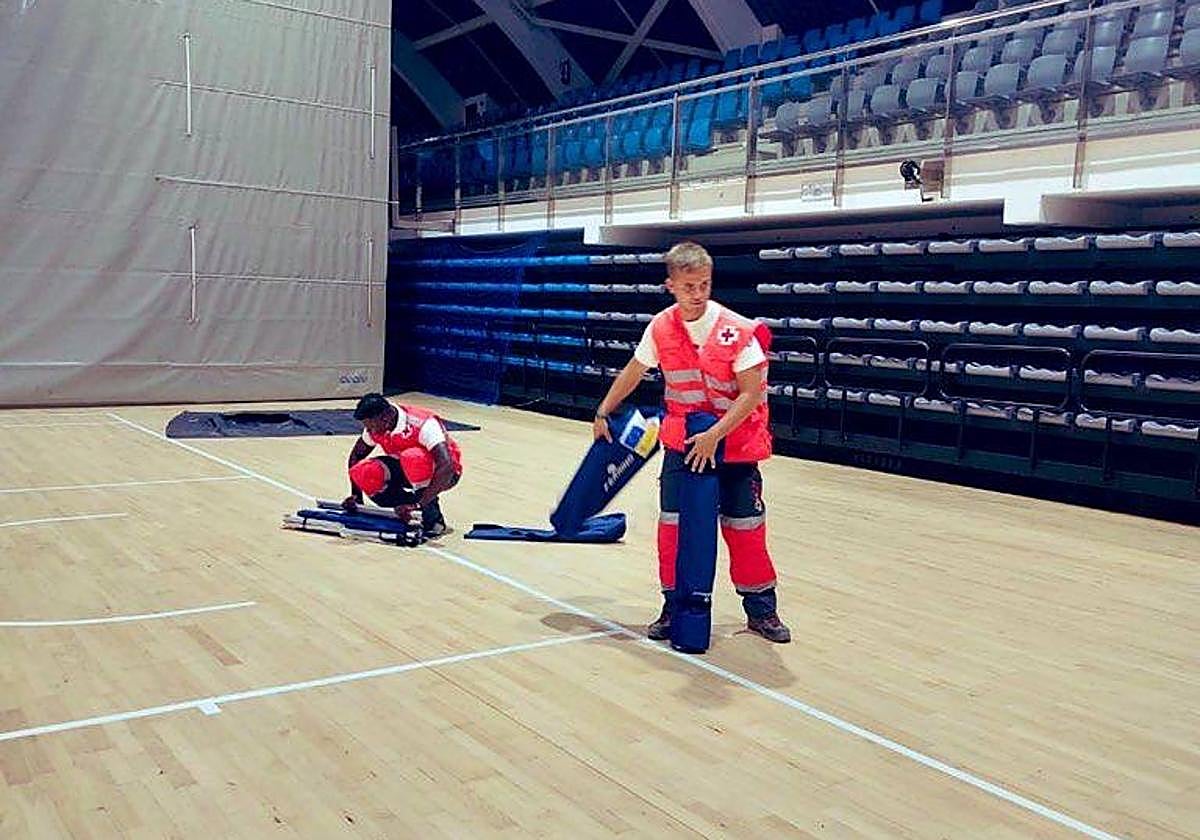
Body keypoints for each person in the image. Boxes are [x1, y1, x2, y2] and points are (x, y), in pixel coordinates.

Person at [592, 241, 791, 643]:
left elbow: (751, 392)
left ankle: (762, 610)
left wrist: (714, 434)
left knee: (746, 528)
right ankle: (675, 607)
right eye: (689, 287)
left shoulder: (739, 331)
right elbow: (635, 370)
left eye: (704, 285)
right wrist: (603, 410)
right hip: (684, 446)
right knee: (674, 530)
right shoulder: (660, 327)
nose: (698, 294)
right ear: (671, 285)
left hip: (733, 446)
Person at [343, 393, 463, 537]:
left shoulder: (423, 424)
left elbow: (446, 465)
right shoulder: (375, 426)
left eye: (372, 426)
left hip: (445, 472)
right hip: (408, 468)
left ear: (385, 417)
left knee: (412, 457)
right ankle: (405, 509)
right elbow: (356, 456)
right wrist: (356, 496)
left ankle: (433, 519)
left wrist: (420, 504)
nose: (371, 431)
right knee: (364, 471)